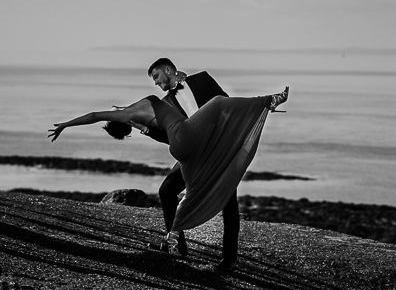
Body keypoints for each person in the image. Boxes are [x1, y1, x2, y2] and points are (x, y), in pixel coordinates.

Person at [48, 83, 289, 272]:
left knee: (188, 190)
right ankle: (269, 100)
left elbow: (164, 118)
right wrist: (66, 124)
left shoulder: (135, 118)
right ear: (115, 119)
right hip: (185, 138)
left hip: (182, 147)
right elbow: (93, 115)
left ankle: (174, 239)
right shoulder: (131, 112)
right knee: (217, 103)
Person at [143, 59, 237, 271]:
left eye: (157, 77)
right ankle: (177, 247)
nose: (156, 83)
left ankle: (229, 260)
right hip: (193, 157)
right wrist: (145, 129)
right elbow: (171, 138)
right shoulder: (166, 103)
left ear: (168, 70)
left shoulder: (202, 80)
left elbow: (229, 106)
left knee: (229, 204)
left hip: (219, 152)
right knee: (166, 191)